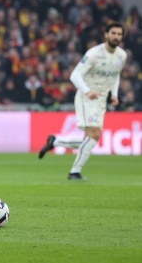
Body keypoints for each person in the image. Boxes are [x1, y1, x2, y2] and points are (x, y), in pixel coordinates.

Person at [38, 22, 126, 180]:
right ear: (106, 35)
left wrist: (114, 94)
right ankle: (74, 171)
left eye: (119, 34)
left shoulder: (121, 55)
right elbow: (74, 75)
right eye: (113, 33)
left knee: (90, 140)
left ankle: (57, 143)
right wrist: (87, 90)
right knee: (95, 134)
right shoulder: (94, 53)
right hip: (86, 97)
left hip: (101, 100)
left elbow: (115, 74)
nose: (116, 37)